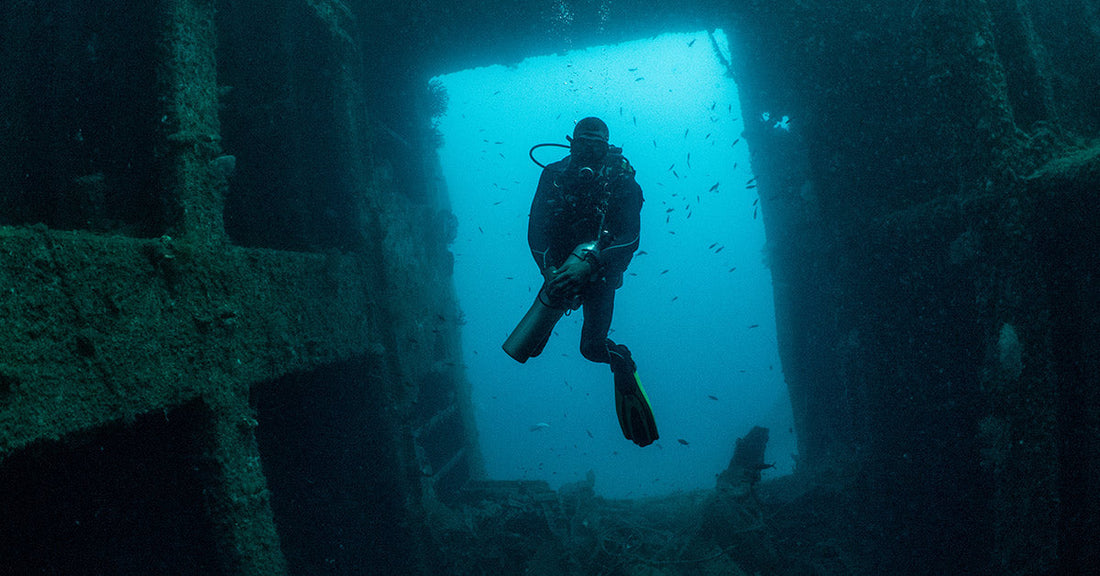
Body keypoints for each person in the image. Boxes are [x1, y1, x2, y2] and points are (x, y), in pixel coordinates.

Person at [526, 117, 658, 447]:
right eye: (583, 142)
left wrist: (594, 263)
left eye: (597, 144)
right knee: (527, 345)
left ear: (607, 146)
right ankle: (546, 319)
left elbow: (630, 237)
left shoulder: (622, 181)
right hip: (559, 271)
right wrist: (548, 271)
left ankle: (621, 362)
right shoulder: (553, 175)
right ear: (570, 142)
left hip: (600, 274)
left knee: (590, 349)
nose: (588, 150)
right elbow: (536, 229)